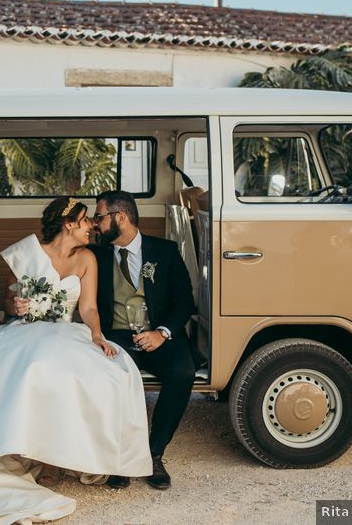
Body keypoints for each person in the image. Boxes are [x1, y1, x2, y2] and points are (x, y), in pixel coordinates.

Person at [0, 196, 152, 525]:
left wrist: (97, 335)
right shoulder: (26, 252)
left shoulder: (87, 258)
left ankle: (57, 457)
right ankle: (12, 447)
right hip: (24, 329)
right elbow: (8, 301)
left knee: (106, 371)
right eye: (86, 221)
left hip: (66, 330)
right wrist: (17, 307)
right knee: (9, 364)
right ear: (69, 224)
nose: (91, 227)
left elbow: (88, 308)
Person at [91, 190, 196, 490]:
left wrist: (162, 333)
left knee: (182, 373)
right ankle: (122, 457)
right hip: (117, 336)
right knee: (111, 377)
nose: (96, 224)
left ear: (119, 217)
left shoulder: (165, 251)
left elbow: (184, 302)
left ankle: (154, 454)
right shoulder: (96, 255)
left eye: (100, 217)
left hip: (160, 333)